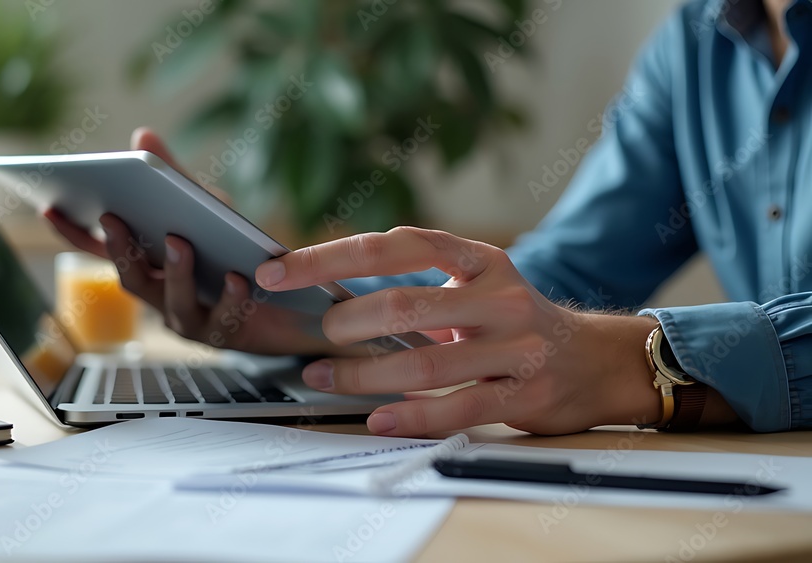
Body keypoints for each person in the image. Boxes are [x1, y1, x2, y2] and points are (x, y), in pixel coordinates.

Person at [46, 0, 811, 437]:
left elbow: (587, 337)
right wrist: (307, 309)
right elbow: (563, 275)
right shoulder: (698, 40)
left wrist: (636, 359)